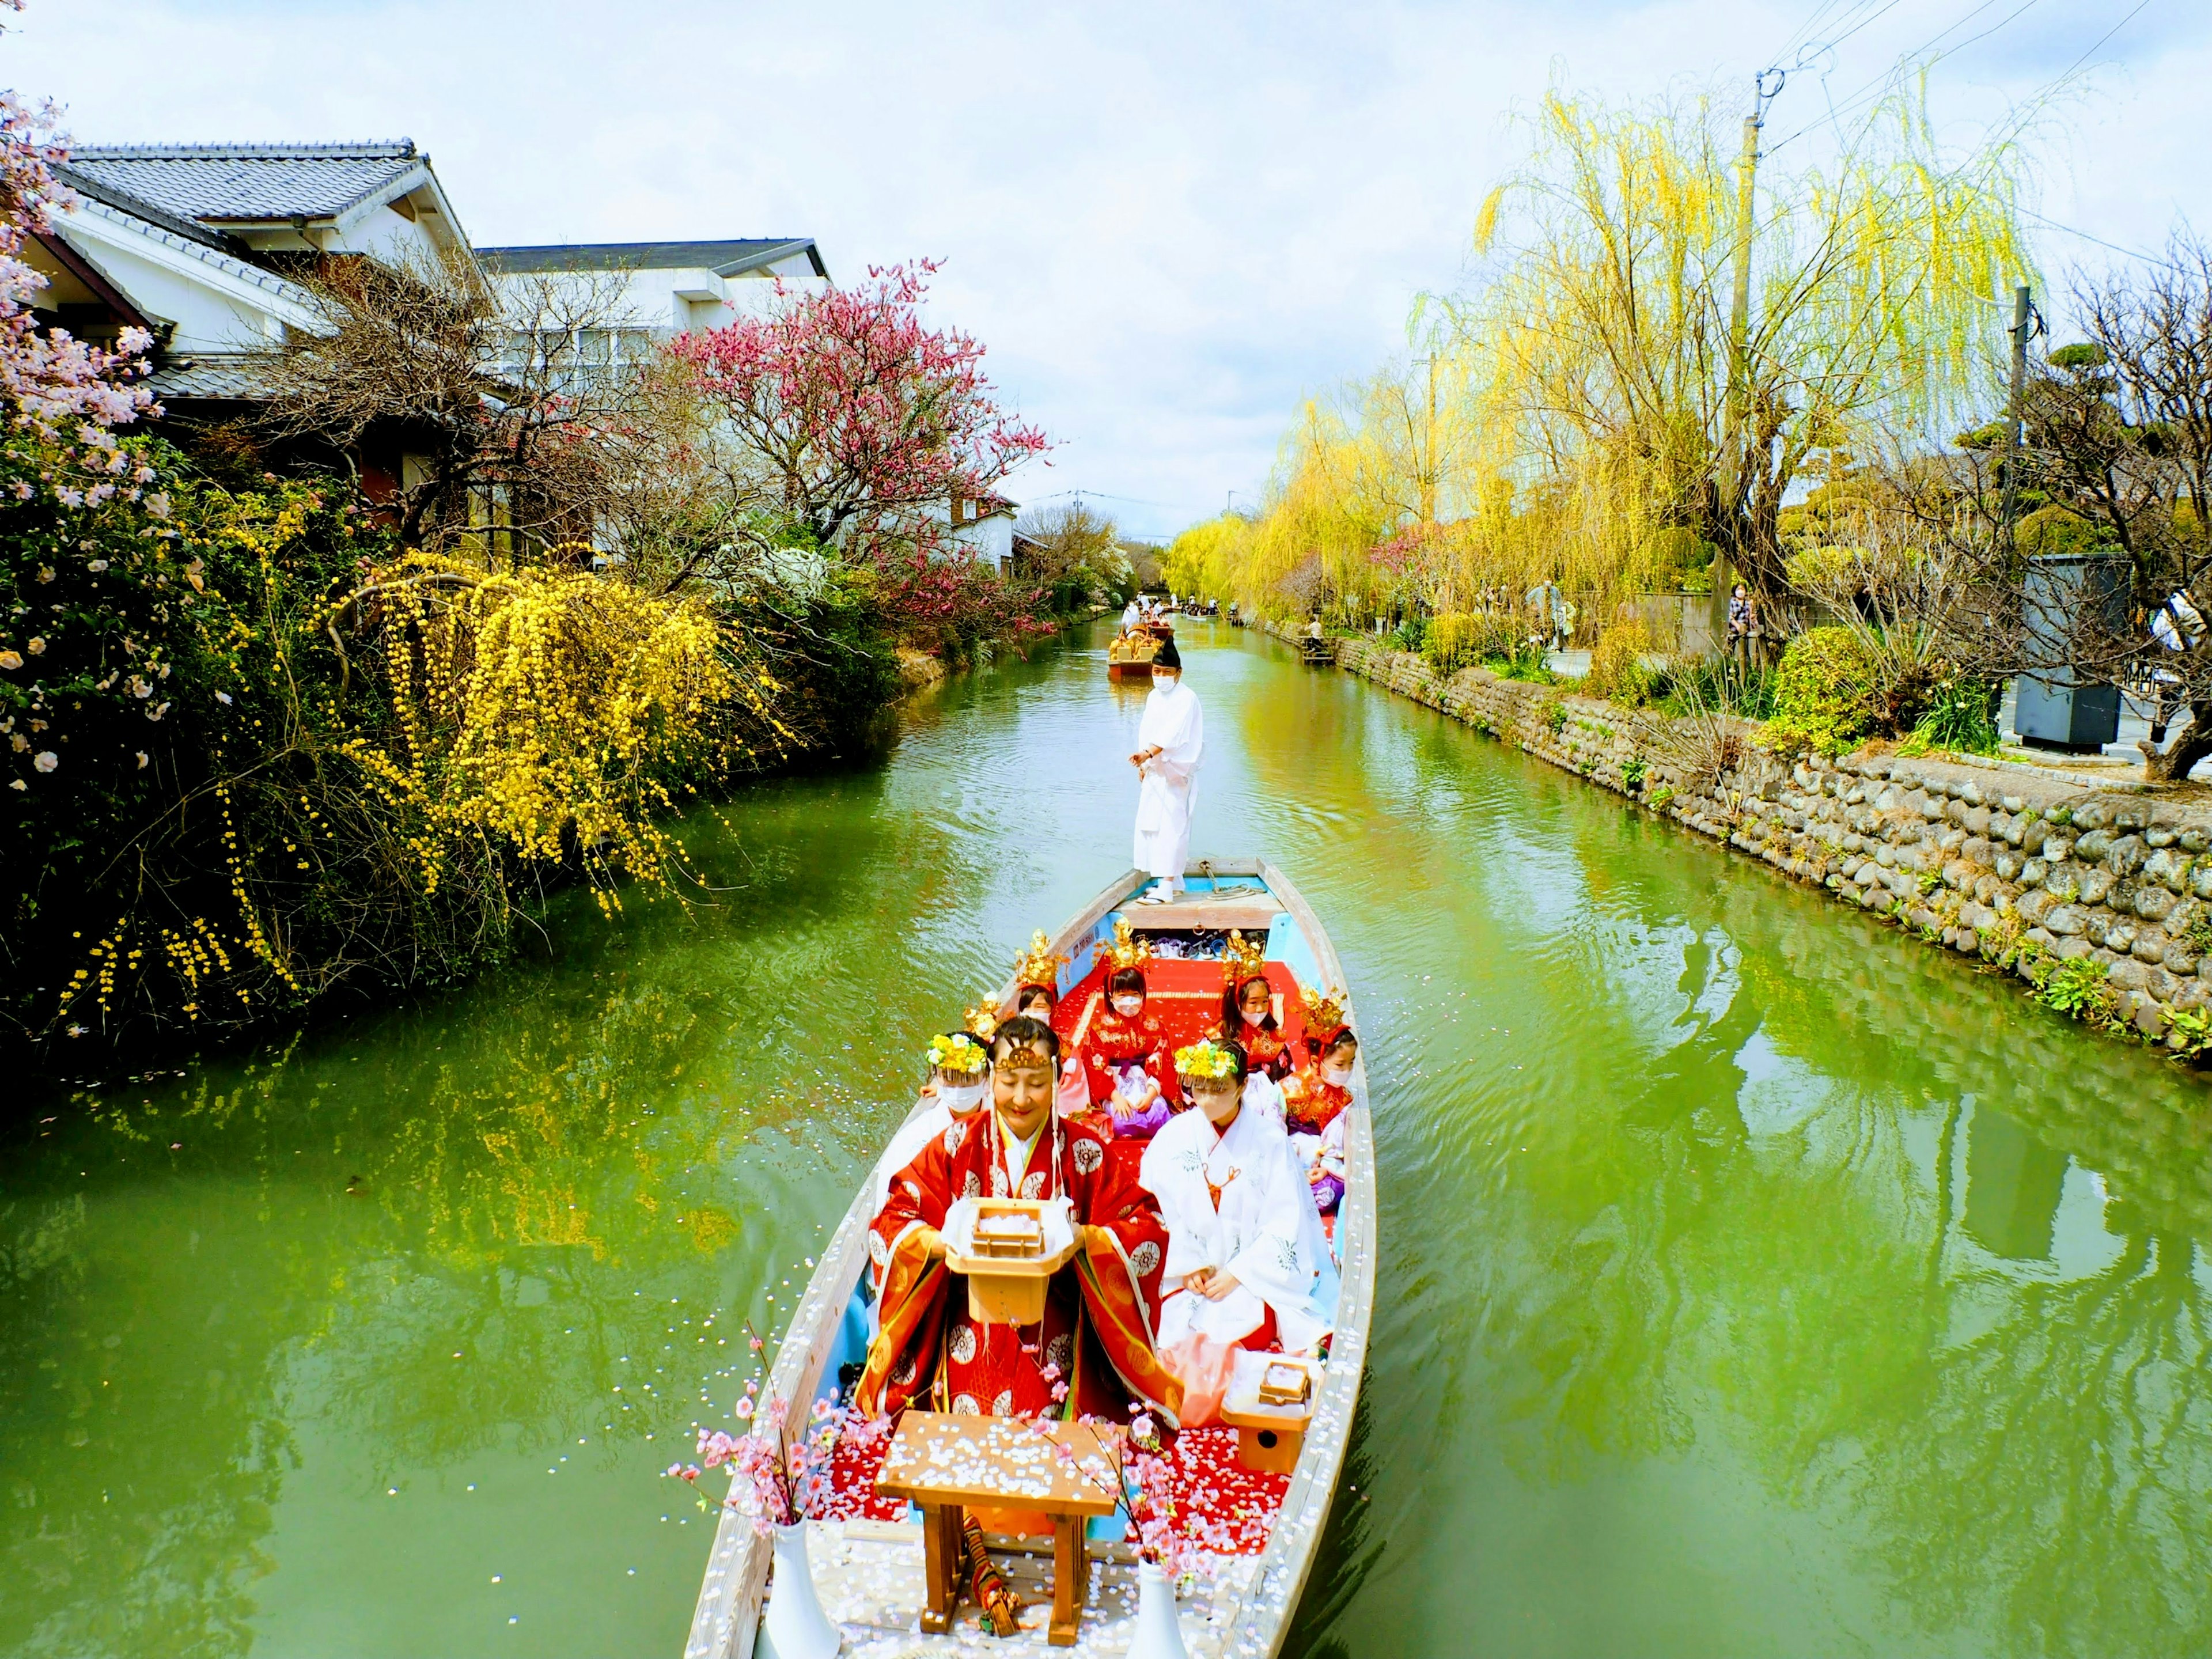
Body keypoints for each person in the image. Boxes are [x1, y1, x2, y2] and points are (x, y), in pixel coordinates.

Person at [858, 1017, 1183, 1430]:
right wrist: (942, 1243)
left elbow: (1146, 1226)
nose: (1021, 1098)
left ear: (1058, 1080)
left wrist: (1086, 1239)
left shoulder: (1085, 1151)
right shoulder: (957, 1144)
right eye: (1009, 1081)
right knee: (966, 1436)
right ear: (992, 1078)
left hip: (1059, 1322)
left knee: (1051, 1437)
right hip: (969, 1323)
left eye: (1036, 1082)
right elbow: (893, 1219)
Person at [1139, 1037, 1336, 1422]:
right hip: (1187, 1271)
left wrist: (1239, 1273)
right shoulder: (1174, 1136)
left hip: (1250, 1272)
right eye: (1201, 1089)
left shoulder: (1270, 1141)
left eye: (1220, 1089)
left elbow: (1285, 1222)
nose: (1208, 1100)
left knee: (1223, 1342)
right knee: (1172, 1338)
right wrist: (1187, 1264)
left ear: (1243, 1087)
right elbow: (1156, 1209)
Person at [870, 1031, 994, 1218]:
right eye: (950, 1078)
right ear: (937, 1076)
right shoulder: (917, 1140)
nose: (959, 1088)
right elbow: (895, 1210)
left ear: (986, 1076)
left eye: (968, 1078)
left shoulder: (1004, 1127)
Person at [1130, 639, 1203, 903]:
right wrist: (1145, 762)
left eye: (1166, 672)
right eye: (1156, 672)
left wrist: (1149, 754)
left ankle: (1167, 886)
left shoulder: (1186, 698)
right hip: (1155, 769)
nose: (1160, 677)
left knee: (1172, 825)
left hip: (1175, 771)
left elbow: (1174, 733)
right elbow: (1147, 729)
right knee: (1152, 824)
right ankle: (1173, 880)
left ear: (1178, 673)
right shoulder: (1153, 696)